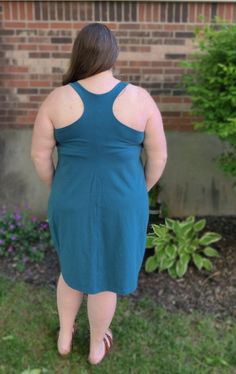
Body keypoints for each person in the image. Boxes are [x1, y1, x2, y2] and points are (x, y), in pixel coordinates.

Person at [31, 22, 167, 365]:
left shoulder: (57, 99)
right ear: (113, 54)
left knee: (72, 266)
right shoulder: (140, 98)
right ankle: (95, 347)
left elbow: (39, 155)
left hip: (70, 198)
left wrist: (58, 188)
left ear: (79, 53)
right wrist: (140, 190)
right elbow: (159, 156)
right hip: (124, 201)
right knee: (105, 275)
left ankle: (65, 335)